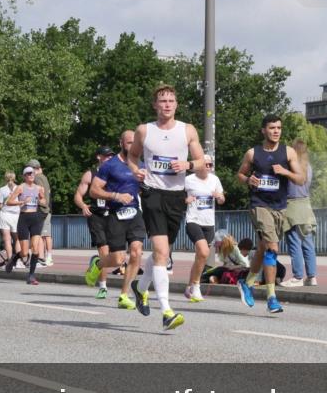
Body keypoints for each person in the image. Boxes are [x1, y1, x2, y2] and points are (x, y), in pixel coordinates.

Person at [127, 85, 204, 330]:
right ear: (155, 105)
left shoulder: (187, 130)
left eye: (171, 100)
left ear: (176, 104)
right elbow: (132, 156)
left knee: (162, 254)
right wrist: (135, 170)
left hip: (176, 197)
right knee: (161, 251)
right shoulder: (144, 130)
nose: (167, 104)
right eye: (162, 101)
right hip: (152, 193)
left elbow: (202, 163)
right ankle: (167, 311)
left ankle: (139, 289)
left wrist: (188, 164)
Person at [236, 115, 305, 314]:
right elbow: (240, 175)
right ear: (263, 131)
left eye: (279, 128)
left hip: (280, 207)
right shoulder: (252, 153)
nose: (276, 131)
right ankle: (271, 297)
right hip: (259, 205)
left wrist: (285, 172)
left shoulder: (288, 152)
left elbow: (300, 179)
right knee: (273, 248)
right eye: (272, 128)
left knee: (263, 248)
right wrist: (248, 179)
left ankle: (247, 282)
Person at [89, 131, 150, 312]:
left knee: (137, 252)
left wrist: (145, 187)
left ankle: (124, 296)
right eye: (129, 142)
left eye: (135, 143)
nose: (132, 146)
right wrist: (115, 195)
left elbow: (142, 189)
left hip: (135, 213)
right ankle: (98, 264)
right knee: (117, 259)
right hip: (116, 214)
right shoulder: (110, 165)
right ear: (121, 143)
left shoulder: (141, 165)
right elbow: (94, 190)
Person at [184, 154, 225, 302]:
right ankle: (196, 286)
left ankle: (189, 287)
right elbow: (176, 198)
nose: (209, 167)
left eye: (210, 165)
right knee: (204, 251)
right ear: (199, 165)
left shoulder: (214, 180)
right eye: (206, 164)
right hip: (193, 220)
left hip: (209, 223)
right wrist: (185, 200)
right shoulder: (188, 180)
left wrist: (219, 197)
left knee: (200, 257)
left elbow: (222, 199)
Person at [76, 147, 115, 298]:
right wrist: (83, 205)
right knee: (105, 253)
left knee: (117, 255)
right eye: (106, 156)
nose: (109, 158)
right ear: (99, 157)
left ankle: (95, 265)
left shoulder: (116, 174)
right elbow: (78, 195)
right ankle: (103, 287)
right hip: (96, 216)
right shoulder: (90, 174)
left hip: (113, 216)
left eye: (111, 156)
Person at [283, 139, 318, 287]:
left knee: (294, 242)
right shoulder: (308, 167)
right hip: (306, 206)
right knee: (308, 243)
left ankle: (297, 277)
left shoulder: (290, 166)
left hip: (292, 206)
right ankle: (311, 277)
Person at [5, 167, 47, 285]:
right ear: (24, 176)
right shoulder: (20, 188)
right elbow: (8, 202)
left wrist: (41, 201)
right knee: (24, 252)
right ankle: (14, 258)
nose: (31, 175)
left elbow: (44, 201)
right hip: (23, 218)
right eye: (28, 174)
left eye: (32, 173)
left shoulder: (39, 188)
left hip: (36, 219)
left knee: (35, 248)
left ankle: (31, 276)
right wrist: (22, 202)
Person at [26, 159, 53, 266]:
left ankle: (41, 259)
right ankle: (45, 258)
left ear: (33, 169)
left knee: (40, 234)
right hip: (46, 208)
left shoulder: (37, 178)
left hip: (42, 209)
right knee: (44, 235)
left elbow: (40, 192)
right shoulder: (44, 177)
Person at [0, 172, 20, 268]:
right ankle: (18, 261)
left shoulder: (2, 190)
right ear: (14, 178)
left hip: (5, 215)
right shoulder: (19, 188)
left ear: (5, 179)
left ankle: (10, 262)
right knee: (17, 239)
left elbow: (0, 205)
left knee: (7, 239)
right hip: (16, 216)